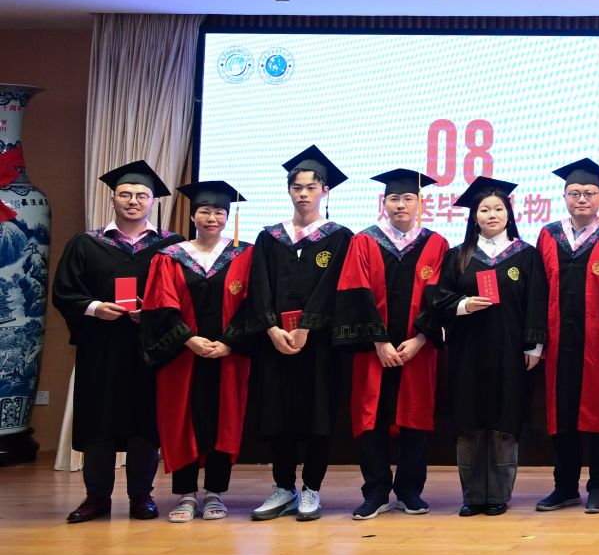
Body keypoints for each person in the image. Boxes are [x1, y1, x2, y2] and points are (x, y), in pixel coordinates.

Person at [53, 161, 180, 522]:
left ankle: (141, 495)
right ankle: (97, 497)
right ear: (113, 199)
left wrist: (152, 314)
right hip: (101, 347)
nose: (133, 201)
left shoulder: (171, 246)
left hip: (149, 348)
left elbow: (184, 296)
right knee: (99, 419)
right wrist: (95, 308)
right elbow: (64, 291)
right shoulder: (86, 243)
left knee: (145, 420)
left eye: (141, 195)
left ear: (153, 201)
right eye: (125, 194)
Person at [244, 146, 353, 523]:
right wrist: (272, 327)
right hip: (276, 342)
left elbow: (333, 286)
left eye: (311, 187)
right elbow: (259, 285)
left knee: (318, 415)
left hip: (319, 343)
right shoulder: (269, 237)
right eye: (297, 187)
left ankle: (311, 488)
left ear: (325, 191)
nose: (303, 194)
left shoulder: (339, 237)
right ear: (288, 190)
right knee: (279, 414)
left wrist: (306, 327)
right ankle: (282, 488)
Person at [334, 169, 448, 520]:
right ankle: (376, 491)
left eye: (408, 198)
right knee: (373, 418)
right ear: (384, 203)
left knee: (415, 417)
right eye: (394, 199)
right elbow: (355, 292)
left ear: (420, 203)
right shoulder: (364, 241)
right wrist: (379, 341)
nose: (401, 204)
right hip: (374, 351)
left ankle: (410, 490)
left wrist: (421, 338)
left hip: (418, 350)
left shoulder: (436, 244)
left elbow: (440, 297)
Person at [140, 180, 255, 523]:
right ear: (193, 216)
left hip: (228, 355)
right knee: (181, 419)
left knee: (224, 419)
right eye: (205, 211)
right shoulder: (170, 257)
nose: (212, 218)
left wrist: (229, 341)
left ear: (228, 216)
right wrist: (189, 339)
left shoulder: (244, 255)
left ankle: (215, 492)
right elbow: (160, 307)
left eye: (219, 212)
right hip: (182, 356)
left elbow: (253, 304)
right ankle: (186, 493)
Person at [431, 176, 545, 516]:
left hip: (511, 351)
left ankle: (498, 495)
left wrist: (534, 346)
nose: (491, 215)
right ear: (474, 216)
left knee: (504, 419)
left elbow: (536, 301)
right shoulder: (459, 256)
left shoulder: (526, 255)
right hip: (468, 350)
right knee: (470, 419)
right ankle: (472, 496)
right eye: (484, 209)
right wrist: (464, 305)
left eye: (498, 209)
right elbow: (439, 299)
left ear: (509, 214)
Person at [536, 158, 599, 515]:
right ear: (564, 196)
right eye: (575, 193)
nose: (582, 199)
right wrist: (536, 339)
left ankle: (598, 485)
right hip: (558, 339)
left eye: (589, 193)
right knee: (562, 412)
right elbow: (537, 290)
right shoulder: (548, 234)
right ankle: (564, 486)